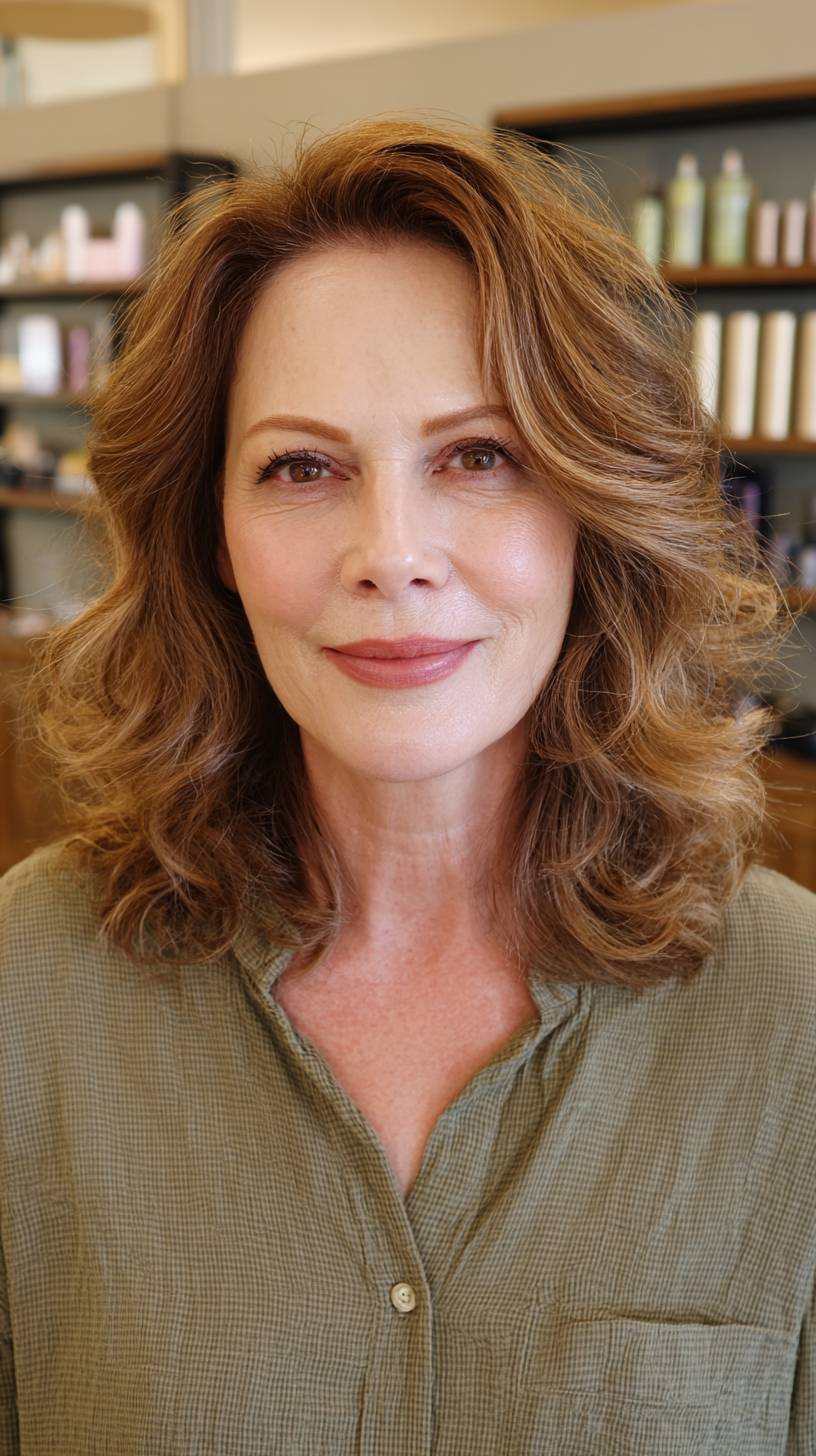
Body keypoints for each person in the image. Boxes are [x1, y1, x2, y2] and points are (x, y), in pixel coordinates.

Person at [0, 113, 814, 1455]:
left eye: (478, 456)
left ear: (590, 508)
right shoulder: (29, 988)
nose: (391, 551)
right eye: (303, 467)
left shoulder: (794, 1018)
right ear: (213, 535)